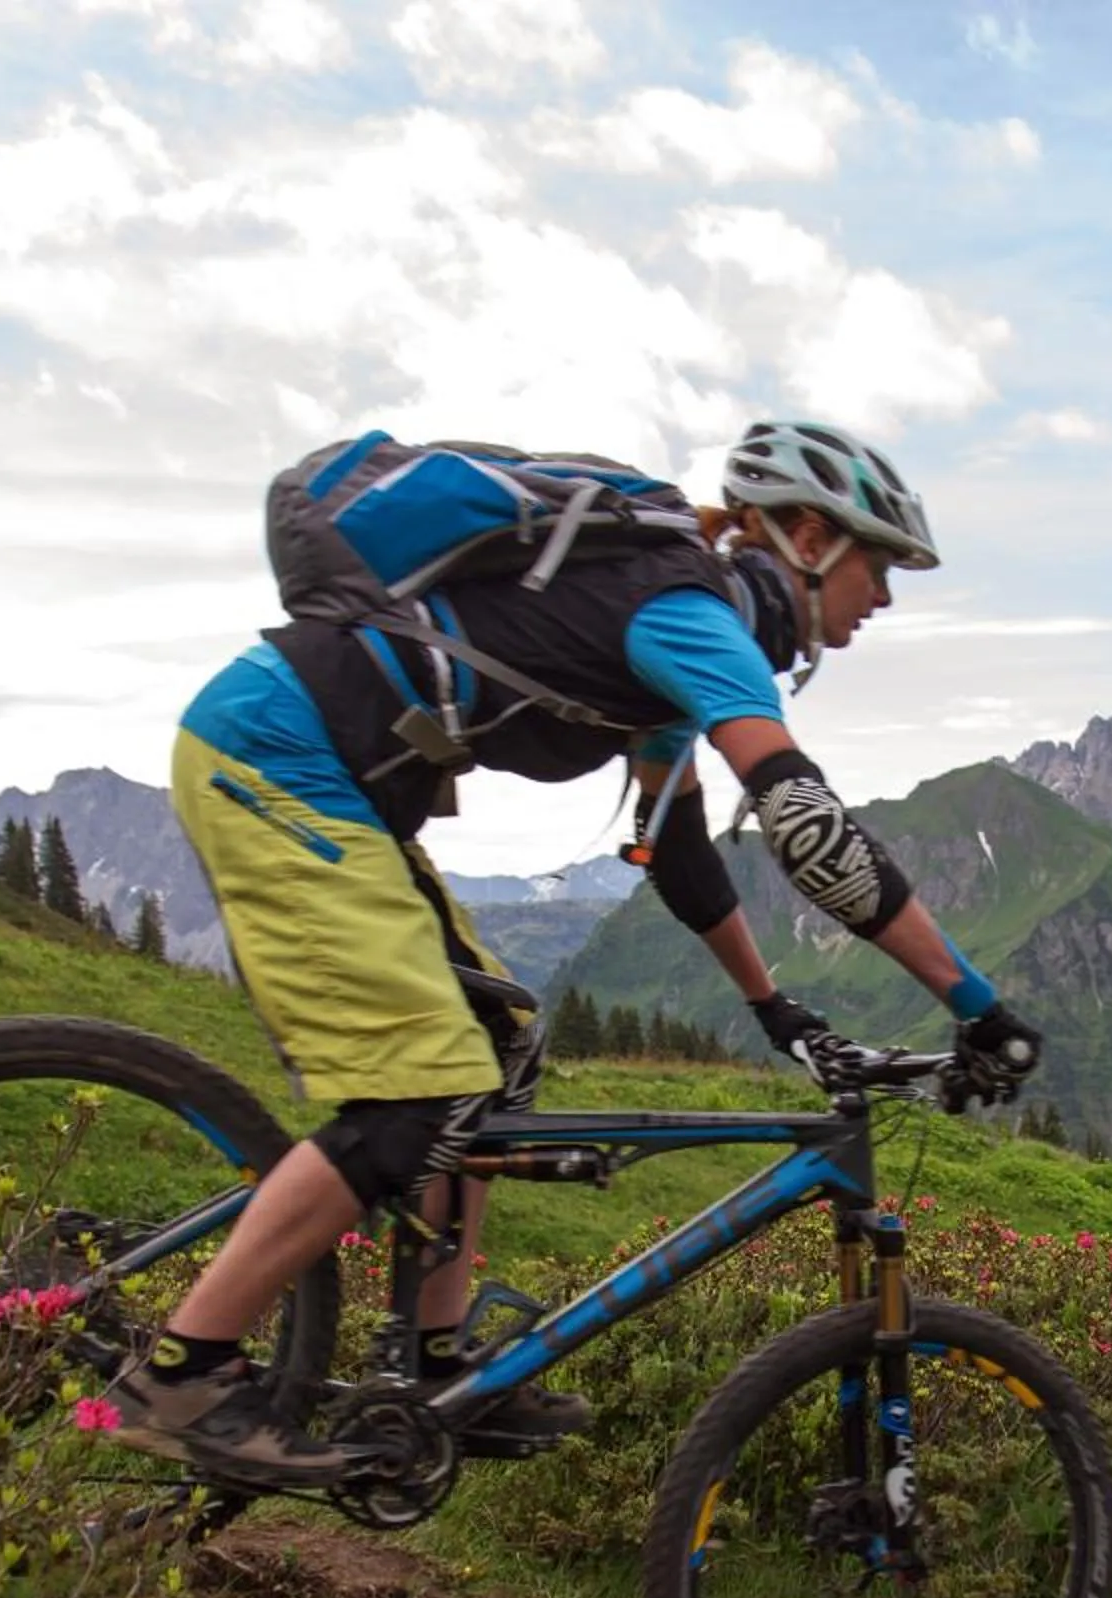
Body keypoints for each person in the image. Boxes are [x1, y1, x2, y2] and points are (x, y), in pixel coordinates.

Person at [107, 419, 1045, 1482]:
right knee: (414, 1099)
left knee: (497, 1043)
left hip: (335, 782)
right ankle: (184, 1373)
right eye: (878, 565)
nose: (883, 597)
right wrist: (977, 1004)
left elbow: (678, 851)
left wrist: (775, 1009)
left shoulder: (680, 614)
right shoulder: (693, 616)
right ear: (809, 537)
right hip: (274, 762)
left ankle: (436, 1364)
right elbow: (809, 830)